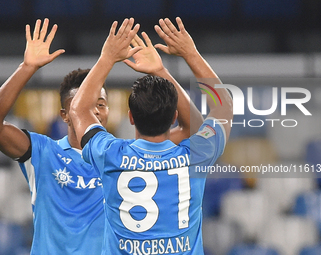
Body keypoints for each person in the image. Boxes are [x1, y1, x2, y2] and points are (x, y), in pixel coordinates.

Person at [0, 17, 200, 254]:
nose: (95, 110)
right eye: (86, 104)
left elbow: (192, 131)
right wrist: (27, 68)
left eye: (102, 104)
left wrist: (159, 71)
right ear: (66, 114)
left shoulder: (123, 155)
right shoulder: (42, 152)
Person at [70, 17, 232, 255]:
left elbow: (79, 109)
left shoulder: (110, 154)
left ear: (131, 117)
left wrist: (107, 58)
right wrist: (186, 56)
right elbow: (223, 106)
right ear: (175, 116)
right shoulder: (197, 155)